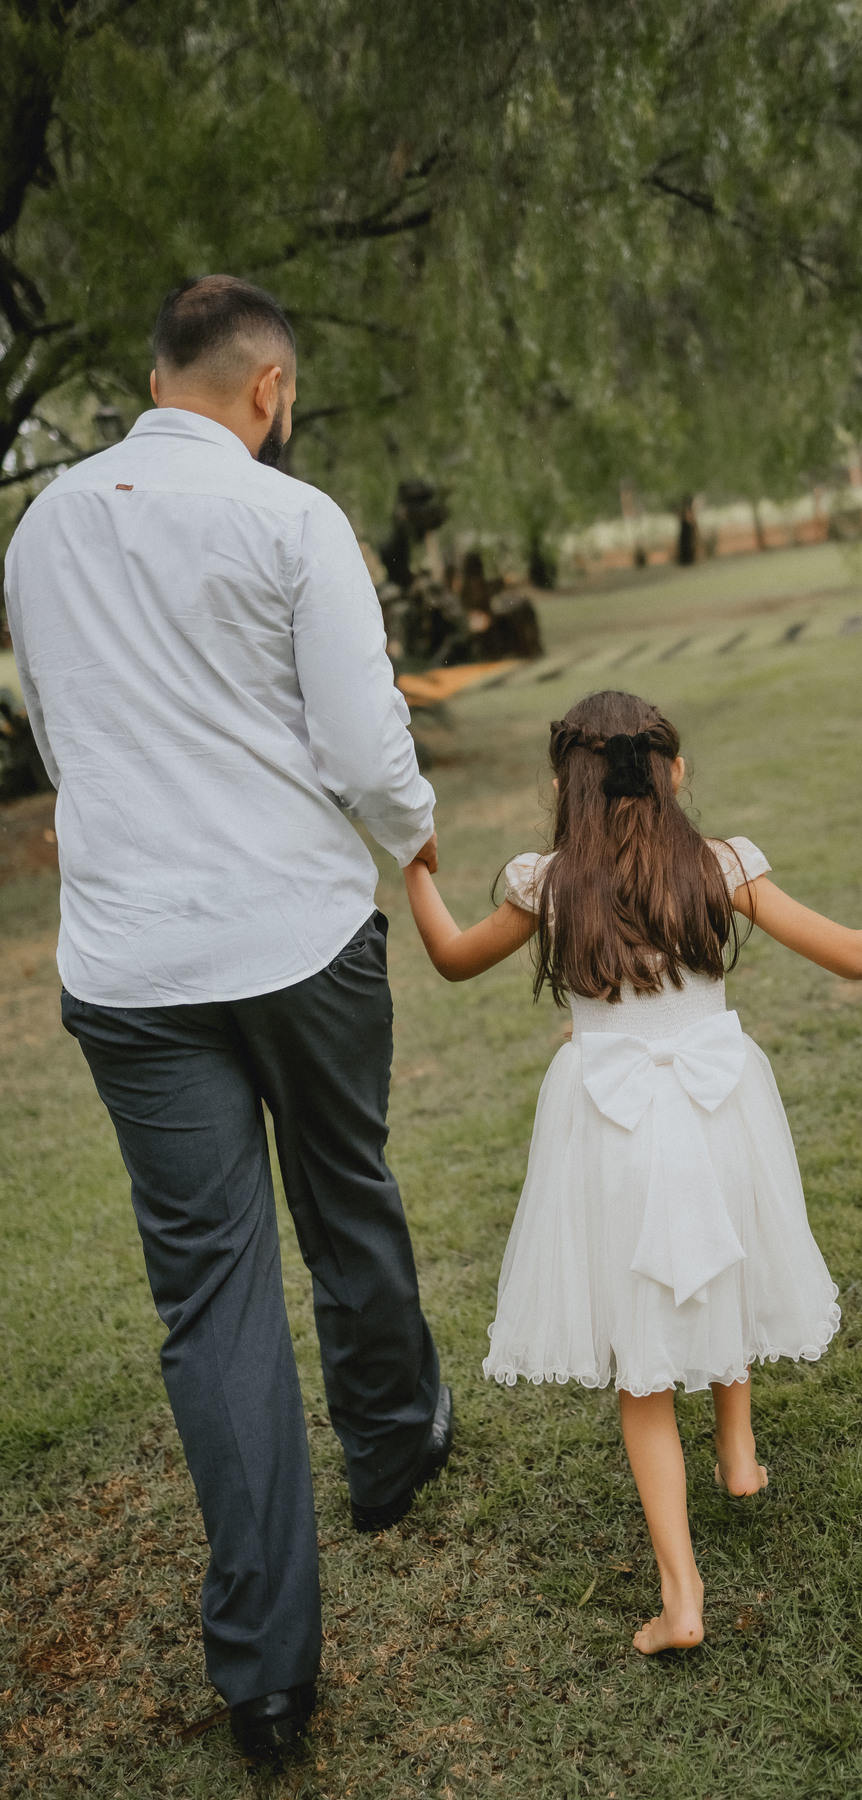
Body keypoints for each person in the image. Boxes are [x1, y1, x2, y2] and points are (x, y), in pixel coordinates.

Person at [3, 275, 453, 1760]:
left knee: (211, 1300)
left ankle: (265, 1677)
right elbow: (366, 748)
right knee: (346, 1189)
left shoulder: (41, 528)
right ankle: (391, 1451)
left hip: (132, 966)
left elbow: (65, 735)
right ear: (269, 390)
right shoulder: (293, 517)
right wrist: (415, 834)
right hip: (298, 932)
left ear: (158, 380)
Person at [403, 689, 862, 1653]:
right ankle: (738, 1451)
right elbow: (859, 956)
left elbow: (448, 956)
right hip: (720, 1107)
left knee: (642, 1362)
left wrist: (415, 868)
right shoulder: (719, 866)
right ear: (674, 772)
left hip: (608, 1126)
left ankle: (683, 1593)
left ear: (565, 789)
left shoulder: (546, 883)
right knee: (726, 1253)